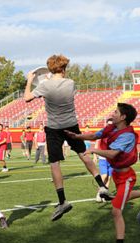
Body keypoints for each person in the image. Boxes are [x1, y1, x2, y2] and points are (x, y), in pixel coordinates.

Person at [24, 54, 113, 221]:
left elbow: (27, 98)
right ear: (64, 69)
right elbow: (60, 86)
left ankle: (62, 201)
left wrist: (30, 80)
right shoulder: (71, 83)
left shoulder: (45, 86)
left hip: (54, 128)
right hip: (71, 125)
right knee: (84, 155)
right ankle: (102, 187)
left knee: (55, 164)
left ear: (50, 69)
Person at [66, 103, 140, 243]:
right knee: (121, 198)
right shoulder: (112, 129)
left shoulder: (127, 135)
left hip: (127, 176)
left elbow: (114, 153)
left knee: (116, 210)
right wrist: (76, 136)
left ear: (123, 117)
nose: (112, 114)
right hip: (117, 175)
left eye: (116, 112)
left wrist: (94, 151)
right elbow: (95, 135)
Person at [93, 118, 114, 202]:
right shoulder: (102, 132)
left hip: (111, 159)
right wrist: (95, 156)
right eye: (108, 124)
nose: (110, 125)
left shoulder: (115, 134)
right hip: (103, 158)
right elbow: (97, 143)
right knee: (104, 176)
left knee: (109, 177)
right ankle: (99, 193)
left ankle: (105, 194)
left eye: (111, 124)